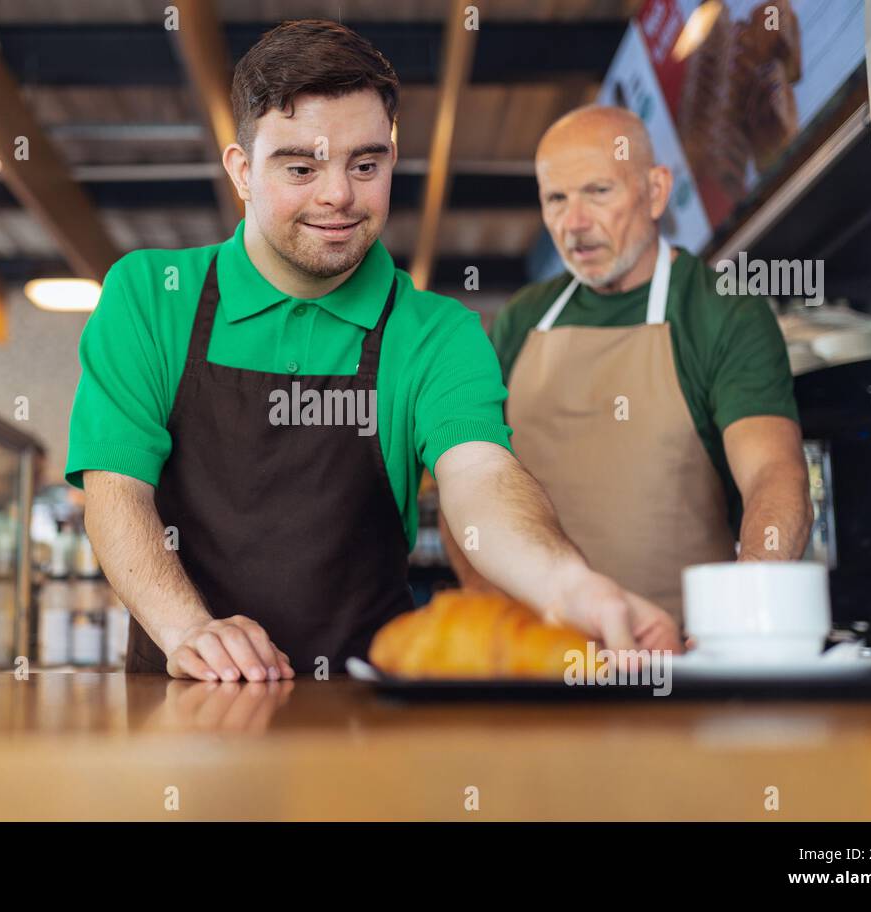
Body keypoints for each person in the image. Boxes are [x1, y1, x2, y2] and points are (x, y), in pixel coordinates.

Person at [65, 22, 681, 681]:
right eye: (301, 167)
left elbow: (481, 478)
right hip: (179, 710)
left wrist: (568, 586)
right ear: (242, 172)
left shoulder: (434, 330)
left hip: (366, 717)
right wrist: (190, 631)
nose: (339, 195)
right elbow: (117, 493)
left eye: (366, 165)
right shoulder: (149, 296)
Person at [442, 105, 811, 620]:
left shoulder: (723, 312)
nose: (574, 224)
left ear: (656, 191)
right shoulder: (522, 318)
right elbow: (464, 476)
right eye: (556, 199)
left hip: (680, 656)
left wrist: (743, 610)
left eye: (598, 191)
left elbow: (774, 473)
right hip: (541, 658)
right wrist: (491, 609)